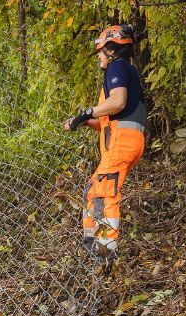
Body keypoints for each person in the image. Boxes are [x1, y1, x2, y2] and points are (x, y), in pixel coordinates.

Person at [64, 24, 147, 274]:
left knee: (104, 192)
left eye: (101, 51)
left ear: (110, 50)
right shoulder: (120, 70)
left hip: (123, 142)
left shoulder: (117, 67)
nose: (99, 57)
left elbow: (118, 101)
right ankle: (91, 244)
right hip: (121, 142)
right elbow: (108, 120)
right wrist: (84, 121)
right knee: (93, 190)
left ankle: (106, 250)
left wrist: (88, 111)